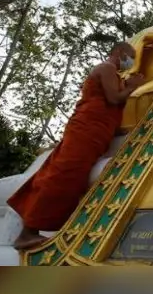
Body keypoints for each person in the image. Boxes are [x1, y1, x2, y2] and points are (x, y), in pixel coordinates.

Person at [8, 42, 144, 250]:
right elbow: (113, 98)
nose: (130, 62)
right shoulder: (107, 68)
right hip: (87, 126)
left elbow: (111, 106)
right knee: (64, 172)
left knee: (69, 174)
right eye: (130, 57)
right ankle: (27, 232)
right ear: (120, 52)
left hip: (98, 131)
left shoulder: (114, 75)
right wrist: (133, 86)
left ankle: (39, 226)